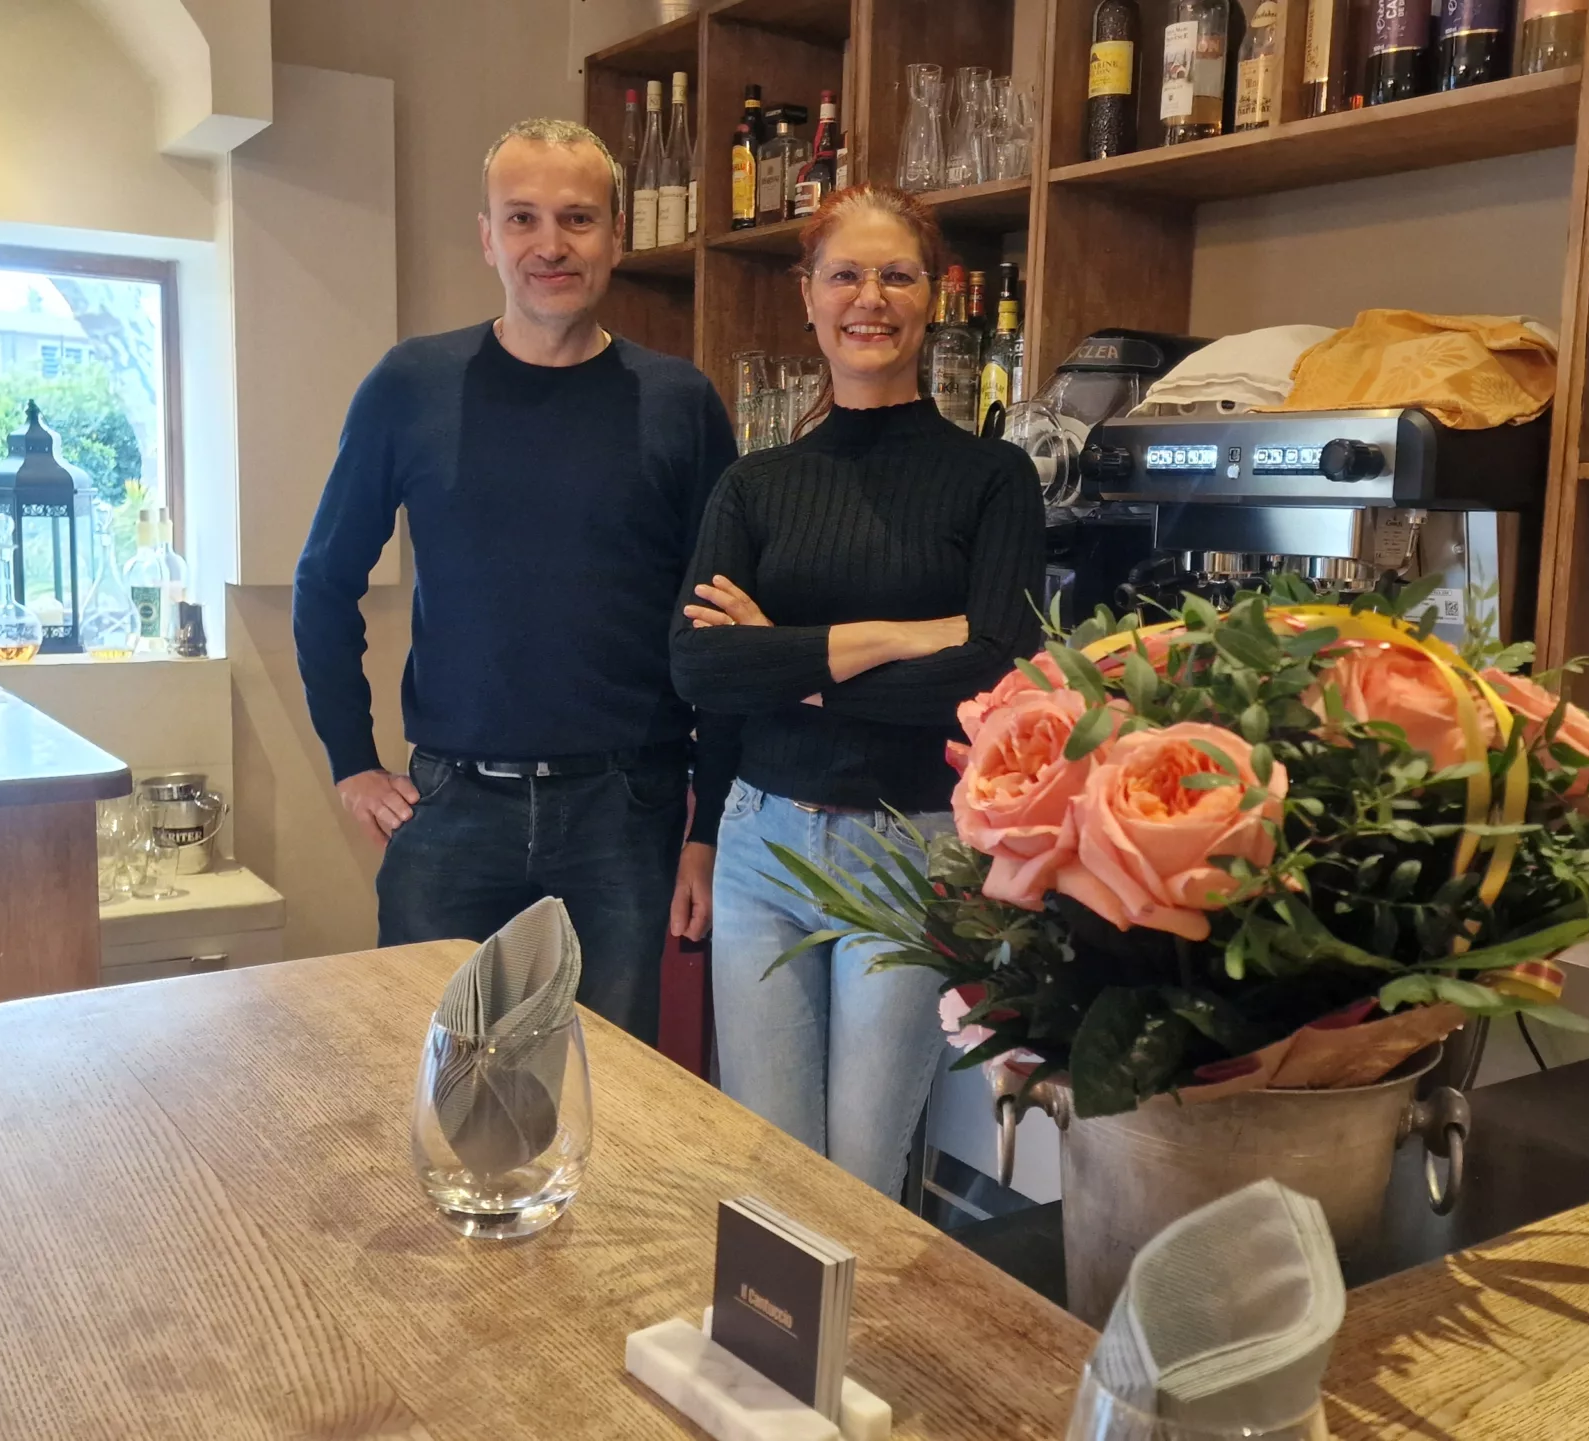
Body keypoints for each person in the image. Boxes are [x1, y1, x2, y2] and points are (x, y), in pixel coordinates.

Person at [294, 118, 737, 1045]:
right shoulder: (411, 385)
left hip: (628, 806)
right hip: (454, 806)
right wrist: (351, 763)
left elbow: (721, 628)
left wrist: (708, 821)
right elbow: (325, 578)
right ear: (488, 237)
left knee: (613, 1095)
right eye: (523, 218)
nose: (551, 245)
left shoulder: (681, 404)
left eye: (578, 218)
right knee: (427, 1082)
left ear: (616, 237)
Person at [669, 187, 1045, 1195]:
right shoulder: (754, 484)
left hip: (911, 846)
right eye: (844, 274)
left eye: (896, 274)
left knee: (864, 1173)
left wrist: (790, 666)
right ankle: (779, 1358)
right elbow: (702, 669)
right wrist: (894, 639)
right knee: (768, 1170)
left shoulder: (994, 477)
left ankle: (861, 1358)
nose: (868, 298)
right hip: (759, 845)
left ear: (933, 299)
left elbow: (992, 673)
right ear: (807, 296)